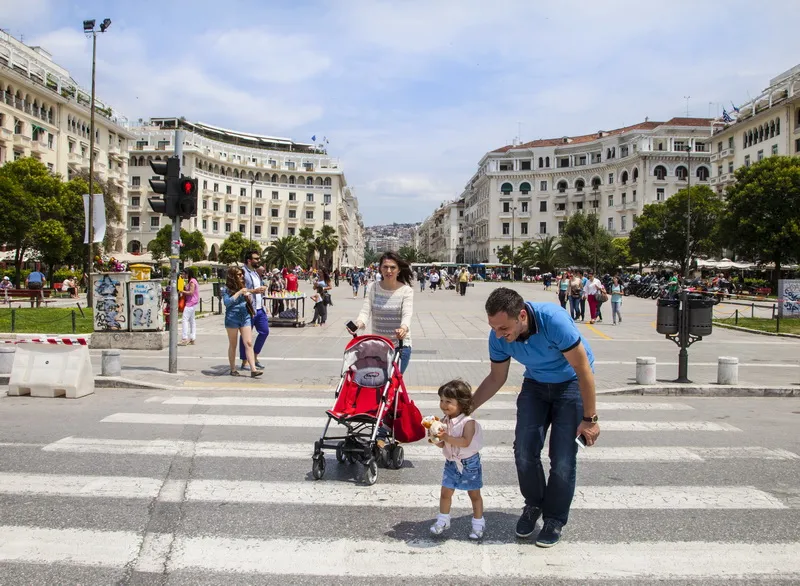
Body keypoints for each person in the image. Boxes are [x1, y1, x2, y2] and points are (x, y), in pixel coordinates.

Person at [471, 287, 598, 548]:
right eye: (494, 328)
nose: (498, 335)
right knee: (524, 451)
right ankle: (534, 504)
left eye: (503, 328)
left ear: (521, 316)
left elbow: (583, 368)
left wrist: (590, 419)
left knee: (562, 459)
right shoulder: (498, 336)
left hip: (571, 384)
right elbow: (496, 378)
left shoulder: (553, 320)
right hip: (536, 385)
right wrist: (465, 410)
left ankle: (554, 519)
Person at [429, 380, 485, 541]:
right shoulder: (444, 421)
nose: (443, 405)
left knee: (474, 494)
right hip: (451, 462)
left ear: (461, 403)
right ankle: (443, 520)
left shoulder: (468, 422)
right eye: (441, 400)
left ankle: (478, 523)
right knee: (445, 492)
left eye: (448, 402)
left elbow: (465, 441)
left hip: (470, 463)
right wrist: (435, 439)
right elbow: (443, 444)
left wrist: (445, 436)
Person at [353, 251, 414, 374]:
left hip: (400, 346)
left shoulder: (406, 291)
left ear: (399, 270)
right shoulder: (373, 287)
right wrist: (358, 324)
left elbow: (407, 314)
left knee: (392, 382)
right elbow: (365, 311)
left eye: (393, 267)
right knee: (378, 384)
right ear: (380, 269)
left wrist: (403, 328)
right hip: (379, 346)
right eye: (385, 267)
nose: (389, 271)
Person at [222, 267, 262, 378]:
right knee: (233, 344)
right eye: (239, 275)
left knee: (248, 342)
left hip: (245, 316)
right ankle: (233, 369)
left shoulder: (243, 286)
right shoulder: (226, 289)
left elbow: (249, 299)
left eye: (242, 274)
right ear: (232, 276)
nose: (242, 276)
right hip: (232, 317)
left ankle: (253, 369)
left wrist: (249, 296)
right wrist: (239, 292)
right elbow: (227, 302)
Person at [239, 251, 269, 371]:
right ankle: (245, 361)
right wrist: (254, 291)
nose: (258, 260)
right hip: (248, 308)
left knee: (264, 331)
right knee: (246, 337)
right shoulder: (243, 272)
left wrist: (262, 289)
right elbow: (240, 289)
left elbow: (258, 288)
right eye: (256, 259)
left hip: (259, 308)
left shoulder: (256, 273)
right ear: (249, 260)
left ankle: (255, 356)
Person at [178, 268, 200, 346]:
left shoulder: (192, 281)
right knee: (192, 320)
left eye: (184, 274)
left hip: (191, 302)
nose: (183, 275)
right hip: (193, 302)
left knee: (184, 319)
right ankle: (192, 338)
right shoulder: (191, 281)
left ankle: (184, 338)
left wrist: (182, 291)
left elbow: (191, 292)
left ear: (188, 274)